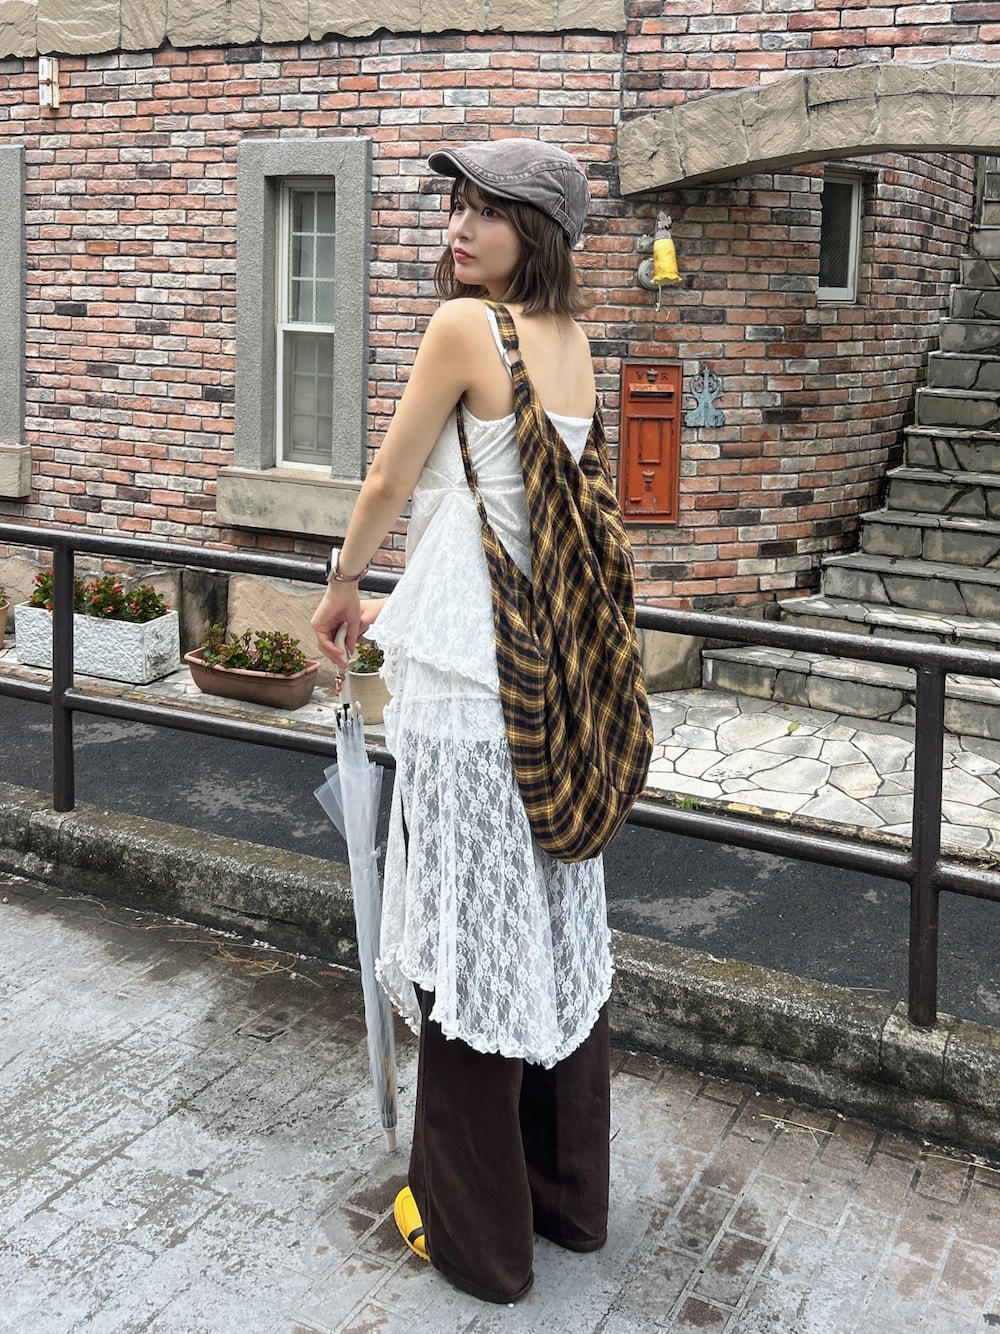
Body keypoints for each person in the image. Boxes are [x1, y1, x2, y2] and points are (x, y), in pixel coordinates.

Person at [311, 138, 616, 1305]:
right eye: (455, 204)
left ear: (533, 232)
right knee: (543, 928)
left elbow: (388, 482)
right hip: (554, 673)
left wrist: (343, 582)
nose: (458, 226)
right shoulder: (570, 340)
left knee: (465, 936)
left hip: (470, 676)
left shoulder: (463, 328)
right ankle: (564, 1199)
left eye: (487, 210)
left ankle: (476, 1238)